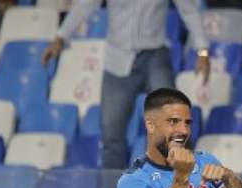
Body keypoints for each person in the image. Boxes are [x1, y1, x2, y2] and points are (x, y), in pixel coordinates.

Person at [43, 0, 211, 170]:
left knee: (172, 124)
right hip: (118, 59)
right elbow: (85, 4)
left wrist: (202, 50)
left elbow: (188, 9)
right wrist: (61, 36)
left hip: (155, 57)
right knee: (111, 133)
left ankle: (176, 183)